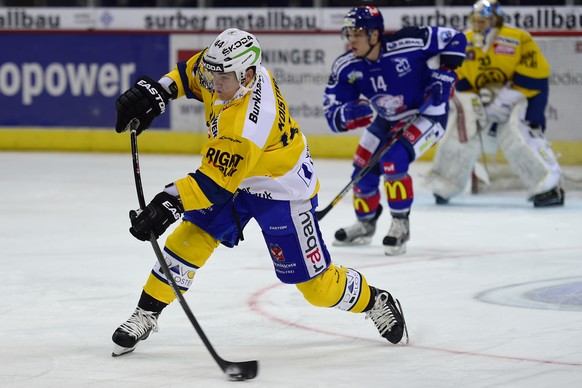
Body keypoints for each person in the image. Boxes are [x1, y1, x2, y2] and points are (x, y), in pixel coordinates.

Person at [111, 28, 409, 357]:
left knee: (317, 289)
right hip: (237, 177)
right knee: (189, 238)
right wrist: (160, 91)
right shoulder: (226, 70)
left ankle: (374, 299)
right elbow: (189, 73)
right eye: (213, 74)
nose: (213, 83)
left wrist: (165, 204)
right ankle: (147, 313)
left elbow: (211, 184)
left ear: (248, 75)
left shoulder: (249, 123)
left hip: (281, 188)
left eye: (222, 78)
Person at [322, 6, 467, 255]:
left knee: (393, 158)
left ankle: (401, 223)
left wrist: (445, 74)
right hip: (388, 118)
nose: (352, 40)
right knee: (361, 166)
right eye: (349, 33)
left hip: (427, 114)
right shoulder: (347, 66)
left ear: (375, 34)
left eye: (358, 33)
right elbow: (332, 112)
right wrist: (347, 114)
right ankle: (366, 223)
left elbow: (456, 37)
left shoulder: (409, 43)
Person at [425, 0, 564, 207]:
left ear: (496, 20)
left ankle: (548, 187)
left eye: (484, 21)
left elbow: (537, 74)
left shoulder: (518, 38)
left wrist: (507, 99)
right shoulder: (465, 40)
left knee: (518, 137)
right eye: (476, 21)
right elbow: (456, 73)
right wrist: (471, 99)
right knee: (461, 133)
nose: (478, 25)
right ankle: (444, 184)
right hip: (478, 99)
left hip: (515, 98)